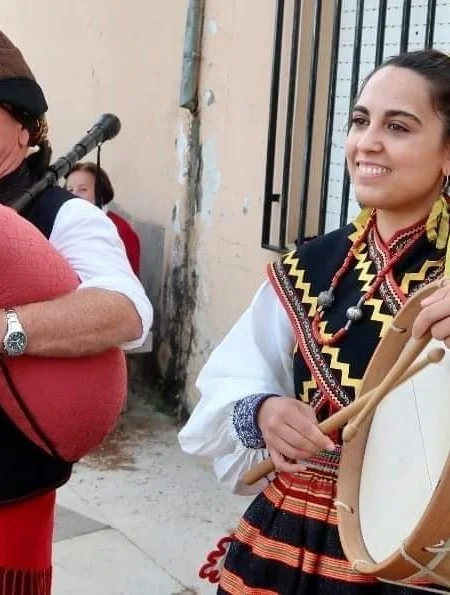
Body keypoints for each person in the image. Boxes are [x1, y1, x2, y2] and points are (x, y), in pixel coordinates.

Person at [178, 48, 450, 594]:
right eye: (359, 120)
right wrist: (264, 412)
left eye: (398, 126)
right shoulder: (309, 266)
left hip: (411, 556)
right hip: (282, 542)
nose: (366, 142)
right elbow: (226, 387)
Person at [0, 30, 152, 594]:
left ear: (23, 126)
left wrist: (7, 330)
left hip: (8, 479)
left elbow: (125, 312)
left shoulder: (64, 217)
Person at [65, 161, 141, 277]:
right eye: (70, 190)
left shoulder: (119, 229)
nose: (74, 195)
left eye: (83, 189)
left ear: (100, 193)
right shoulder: (65, 224)